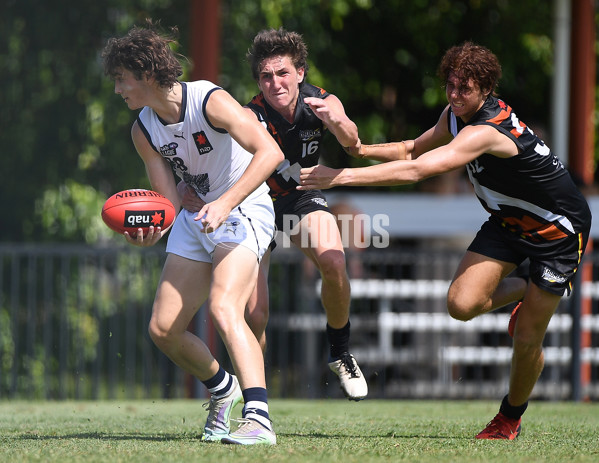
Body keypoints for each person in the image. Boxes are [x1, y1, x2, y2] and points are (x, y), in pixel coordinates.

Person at [298, 41, 591, 439]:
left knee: (526, 341)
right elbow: (412, 149)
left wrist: (341, 176)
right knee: (460, 304)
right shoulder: (455, 115)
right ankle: (528, 288)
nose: (454, 95)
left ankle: (509, 418)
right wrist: (362, 150)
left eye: (464, 88)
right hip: (508, 222)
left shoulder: (486, 131)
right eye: (450, 85)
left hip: (557, 231)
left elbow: (418, 171)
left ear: (486, 89)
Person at [102, 20, 285, 445]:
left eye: (121, 79)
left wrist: (224, 203)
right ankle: (224, 389)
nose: (117, 89)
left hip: (242, 205)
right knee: (163, 329)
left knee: (224, 308)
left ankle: (258, 418)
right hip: (199, 217)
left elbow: (270, 153)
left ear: (145, 73)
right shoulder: (143, 130)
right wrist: (149, 230)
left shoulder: (209, 99)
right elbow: (166, 206)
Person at [182, 27, 368, 401]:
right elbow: (214, 156)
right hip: (258, 204)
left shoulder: (322, 101)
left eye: (282, 73)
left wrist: (338, 121)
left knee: (334, 261)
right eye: (266, 76)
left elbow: (354, 144)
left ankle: (340, 351)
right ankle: (254, 397)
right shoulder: (250, 115)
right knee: (255, 312)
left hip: (300, 199)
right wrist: (193, 187)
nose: (275, 82)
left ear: (300, 72)